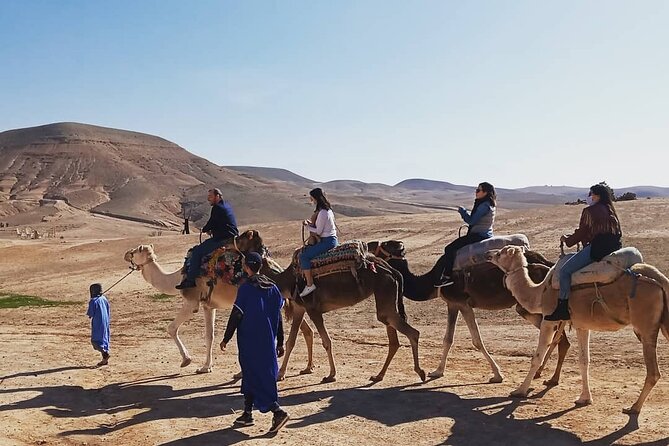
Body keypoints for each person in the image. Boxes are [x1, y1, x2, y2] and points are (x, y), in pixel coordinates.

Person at [220, 252, 290, 433]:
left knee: (256, 376)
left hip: (250, 341)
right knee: (253, 375)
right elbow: (279, 317)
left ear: (246, 267)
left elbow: (236, 315)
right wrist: (280, 342)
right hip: (268, 342)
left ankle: (278, 411)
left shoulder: (246, 289)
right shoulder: (273, 288)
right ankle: (247, 413)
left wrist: (226, 338)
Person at [545, 183, 622, 321]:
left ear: (597, 195)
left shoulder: (590, 211)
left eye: (590, 194)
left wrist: (567, 240)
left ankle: (562, 308)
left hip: (596, 249)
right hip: (612, 248)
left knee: (564, 271)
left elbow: (583, 232)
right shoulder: (610, 210)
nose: (589, 197)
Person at [436, 182, 496, 287]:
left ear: (485, 192)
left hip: (479, 235)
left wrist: (462, 211)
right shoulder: (487, 204)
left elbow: (471, 221)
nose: (476, 192)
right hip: (484, 234)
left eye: (478, 190)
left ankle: (447, 277)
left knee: (449, 249)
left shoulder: (484, 205)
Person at [176, 188, 239, 289]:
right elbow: (220, 223)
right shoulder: (226, 205)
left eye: (210, 196)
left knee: (197, 252)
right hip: (231, 237)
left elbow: (211, 223)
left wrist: (205, 229)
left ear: (217, 196)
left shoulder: (217, 208)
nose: (208, 199)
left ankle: (191, 280)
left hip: (223, 239)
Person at [299, 188, 338, 297]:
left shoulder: (322, 213)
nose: (311, 199)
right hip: (331, 240)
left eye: (311, 197)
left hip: (327, 242)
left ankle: (309, 284)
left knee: (304, 257)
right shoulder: (328, 210)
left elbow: (318, 231)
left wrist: (307, 226)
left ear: (315, 198)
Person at [87, 283, 110, 366]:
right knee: (104, 338)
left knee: (96, 341)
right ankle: (104, 359)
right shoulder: (104, 298)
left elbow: (90, 314)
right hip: (105, 321)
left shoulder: (93, 301)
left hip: (98, 322)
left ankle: (105, 354)